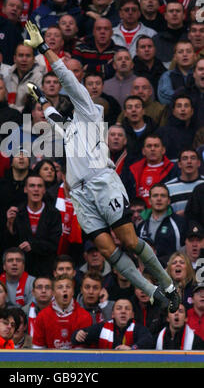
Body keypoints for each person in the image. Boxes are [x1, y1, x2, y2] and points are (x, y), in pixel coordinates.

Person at [24, 20, 181, 311]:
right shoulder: (72, 126)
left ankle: (168, 283)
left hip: (102, 181)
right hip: (81, 195)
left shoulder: (87, 108)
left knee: (129, 240)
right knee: (108, 251)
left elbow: (66, 77)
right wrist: (43, 100)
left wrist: (45, 49)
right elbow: (57, 121)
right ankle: (153, 292)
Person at [6, 174, 62, 277]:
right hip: (22, 271)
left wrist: (33, 246)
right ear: (25, 189)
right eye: (32, 186)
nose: (36, 189)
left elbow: (54, 244)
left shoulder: (53, 214)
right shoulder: (17, 212)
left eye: (39, 186)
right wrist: (10, 224)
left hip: (46, 270)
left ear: (44, 190)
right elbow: (10, 244)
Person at [32, 274, 92, 349]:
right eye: (60, 287)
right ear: (53, 293)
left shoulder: (84, 316)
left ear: (73, 292)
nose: (64, 290)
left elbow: (83, 351)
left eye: (68, 287)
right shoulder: (42, 316)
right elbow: (38, 348)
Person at [71, 298, 153, 349]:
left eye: (127, 309)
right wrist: (77, 335)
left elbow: (148, 341)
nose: (123, 311)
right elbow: (78, 336)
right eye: (119, 308)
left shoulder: (139, 329)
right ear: (112, 314)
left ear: (132, 315)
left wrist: (131, 349)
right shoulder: (102, 327)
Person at [137, 183, 188, 262]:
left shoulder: (179, 223)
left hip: (171, 270)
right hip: (146, 271)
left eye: (163, 196)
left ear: (168, 201)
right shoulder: (141, 226)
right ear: (149, 201)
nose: (159, 199)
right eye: (155, 195)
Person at [125, 134, 177, 206]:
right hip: (139, 214)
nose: (152, 149)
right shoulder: (134, 170)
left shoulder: (173, 170)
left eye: (156, 146)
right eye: (149, 146)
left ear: (163, 150)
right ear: (143, 151)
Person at [2, 43, 45, 113]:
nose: (24, 59)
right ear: (14, 59)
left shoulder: (40, 77)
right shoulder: (7, 77)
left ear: (34, 59)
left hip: (28, 116)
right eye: (21, 55)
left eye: (28, 56)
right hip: (9, 116)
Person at [166, 149, 204, 215]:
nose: (189, 161)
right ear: (179, 164)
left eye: (193, 158)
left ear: (198, 163)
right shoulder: (167, 187)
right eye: (185, 158)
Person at [158, 41, 197, 106]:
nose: (185, 54)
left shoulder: (200, 74)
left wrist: (179, 94)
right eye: (180, 52)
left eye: (188, 51)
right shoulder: (167, 76)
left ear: (195, 56)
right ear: (175, 57)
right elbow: (164, 99)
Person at [120, 95, 157, 163]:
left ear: (143, 111)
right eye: (129, 107)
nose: (133, 110)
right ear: (125, 113)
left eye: (137, 107)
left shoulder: (155, 131)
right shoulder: (120, 133)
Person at [152, 2, 188, 67]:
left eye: (178, 11)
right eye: (171, 11)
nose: (174, 14)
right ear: (165, 16)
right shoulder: (156, 40)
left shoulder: (192, 38)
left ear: (184, 16)